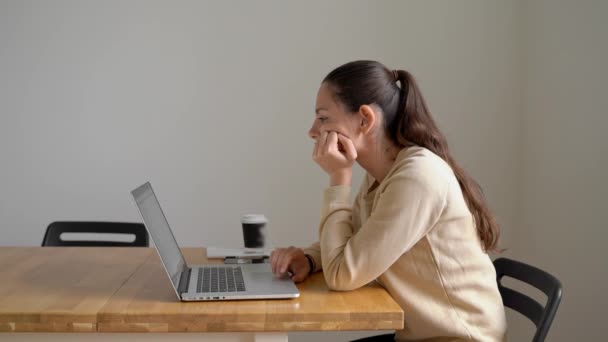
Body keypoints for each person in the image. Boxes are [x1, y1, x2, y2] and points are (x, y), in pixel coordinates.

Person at [270, 60, 507, 341]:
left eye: (323, 118)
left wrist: (339, 178)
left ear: (365, 119)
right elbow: (356, 242)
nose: (312, 131)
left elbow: (342, 274)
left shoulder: (417, 177)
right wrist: (309, 259)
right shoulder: (383, 174)